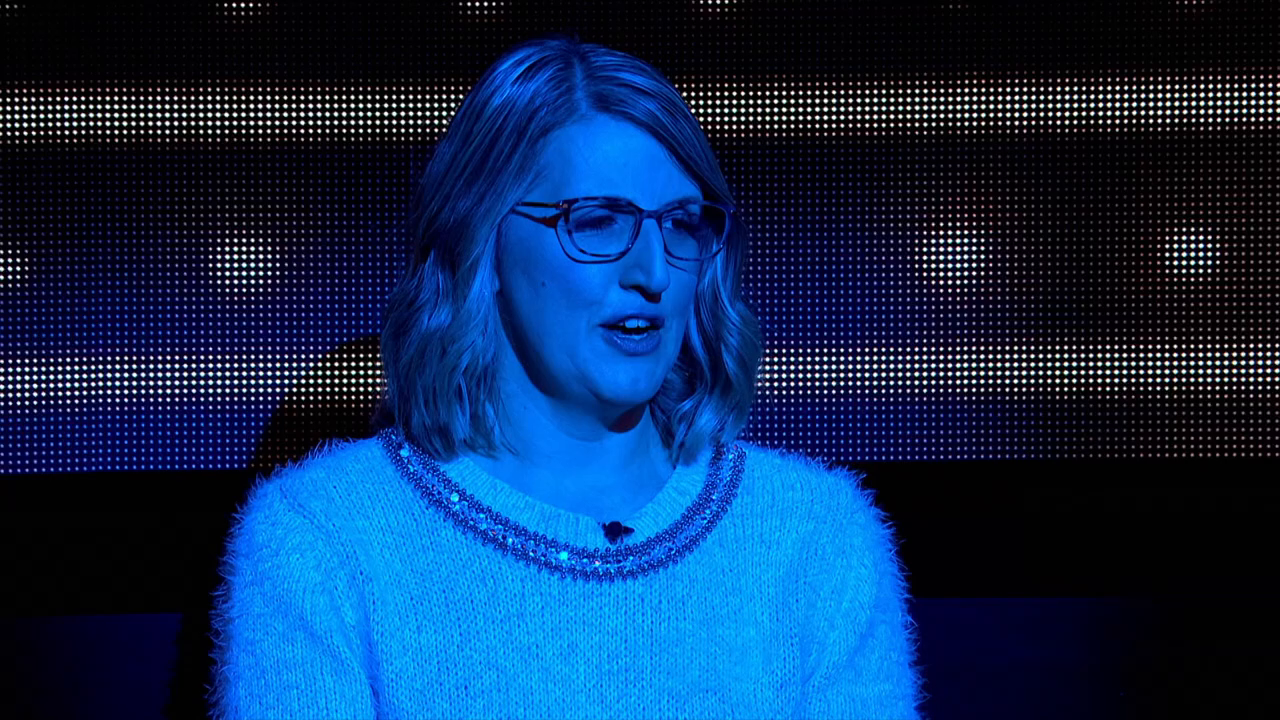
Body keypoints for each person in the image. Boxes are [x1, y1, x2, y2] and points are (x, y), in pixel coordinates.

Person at [208, 32, 927, 719]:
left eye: (680, 223)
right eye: (597, 221)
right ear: (481, 244)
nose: (652, 273)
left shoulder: (814, 538)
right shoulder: (325, 541)